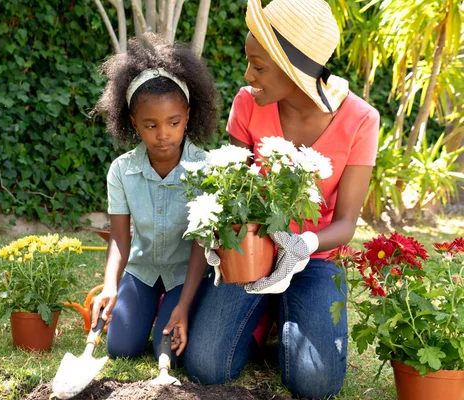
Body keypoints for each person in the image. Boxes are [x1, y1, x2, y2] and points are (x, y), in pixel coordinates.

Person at [167, 0, 380, 398]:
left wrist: (304, 245)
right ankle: (263, 315)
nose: (248, 75)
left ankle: (286, 308)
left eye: (259, 66)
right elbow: (233, 186)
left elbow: (347, 222)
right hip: (252, 252)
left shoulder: (361, 119)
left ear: (296, 72)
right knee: (206, 367)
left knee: (315, 384)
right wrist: (220, 238)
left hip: (313, 258)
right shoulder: (248, 102)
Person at [89, 33, 218, 366]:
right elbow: (119, 238)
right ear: (133, 124)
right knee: (121, 348)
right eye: (151, 125)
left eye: (174, 122)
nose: (164, 134)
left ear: (187, 115)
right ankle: (144, 311)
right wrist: (109, 286)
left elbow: (202, 245)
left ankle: (170, 310)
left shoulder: (206, 170)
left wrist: (184, 306)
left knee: (167, 353)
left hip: (185, 275)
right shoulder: (122, 171)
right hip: (142, 270)